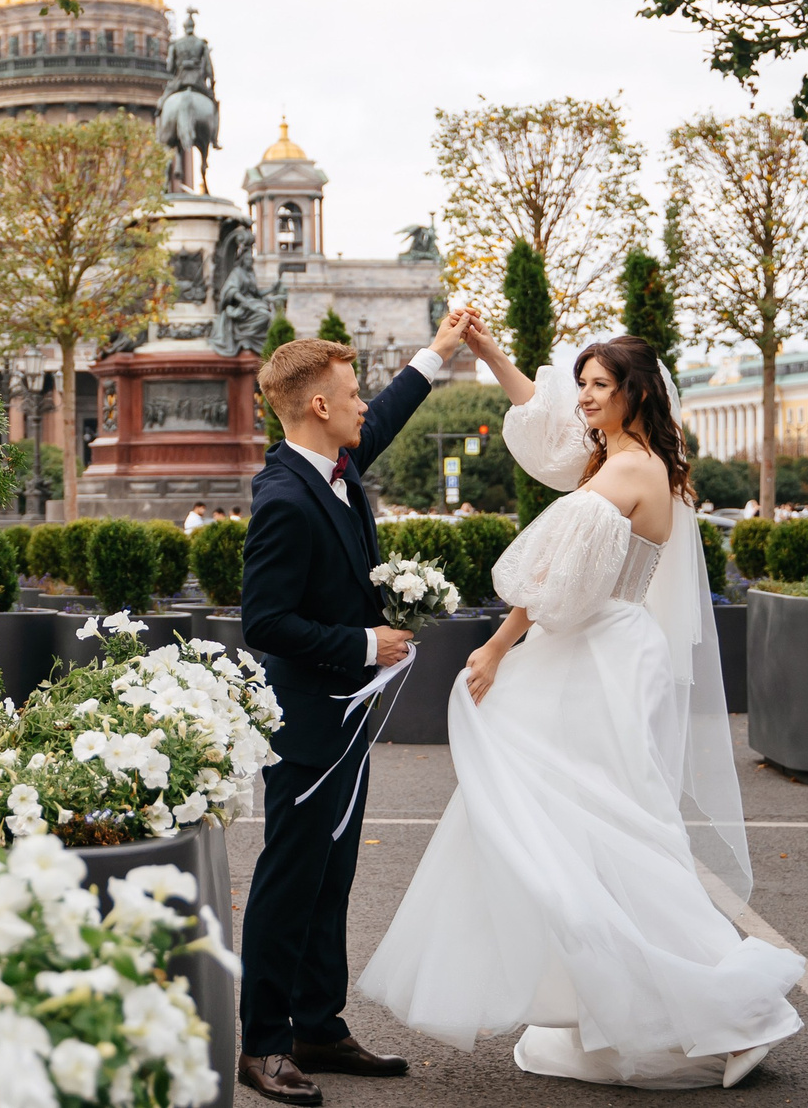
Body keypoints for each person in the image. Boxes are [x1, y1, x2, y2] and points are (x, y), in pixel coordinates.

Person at [358, 322, 803, 1089]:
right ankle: (615, 1000)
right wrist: (489, 351)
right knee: (583, 828)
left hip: (600, 653)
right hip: (605, 650)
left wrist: (499, 645)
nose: (586, 397)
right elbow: (547, 425)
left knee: (609, 826)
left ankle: (725, 1005)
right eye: (584, 383)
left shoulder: (628, 473)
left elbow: (563, 583)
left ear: (634, 394)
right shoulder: (621, 462)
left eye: (600, 385)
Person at [234, 309, 471, 1104]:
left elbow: (390, 417)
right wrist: (365, 645)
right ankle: (263, 1044)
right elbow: (263, 622)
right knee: (289, 878)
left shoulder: (333, 466)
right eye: (352, 392)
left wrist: (436, 354)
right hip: (306, 724)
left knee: (332, 874)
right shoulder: (285, 498)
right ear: (319, 409)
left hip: (344, 721)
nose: (364, 403)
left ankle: (318, 1028)